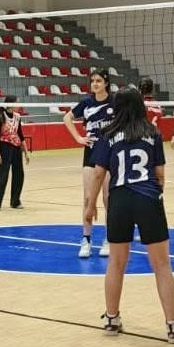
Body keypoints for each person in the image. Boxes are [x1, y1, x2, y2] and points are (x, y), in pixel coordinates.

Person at [87, 88, 174, 345]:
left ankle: (112, 319)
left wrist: (90, 206)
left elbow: (98, 173)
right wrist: (155, 196)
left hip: (119, 200)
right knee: (162, 265)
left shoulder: (107, 134)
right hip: (147, 198)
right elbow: (160, 174)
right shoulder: (152, 133)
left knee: (116, 263)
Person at [64, 68, 114, 258]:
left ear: (106, 83)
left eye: (99, 81)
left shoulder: (115, 102)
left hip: (110, 152)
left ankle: (108, 239)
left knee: (108, 198)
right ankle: (86, 239)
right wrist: (78, 138)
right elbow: (67, 118)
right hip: (91, 151)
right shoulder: (86, 103)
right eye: (93, 81)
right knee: (87, 198)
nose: (95, 84)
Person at [0, 96, 29, 211]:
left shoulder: (18, 117)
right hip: (4, 147)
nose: (19, 105)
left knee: (19, 175)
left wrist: (26, 152)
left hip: (16, 148)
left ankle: (15, 201)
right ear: (11, 104)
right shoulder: (1, 117)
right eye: (17, 103)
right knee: (2, 175)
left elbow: (20, 135)